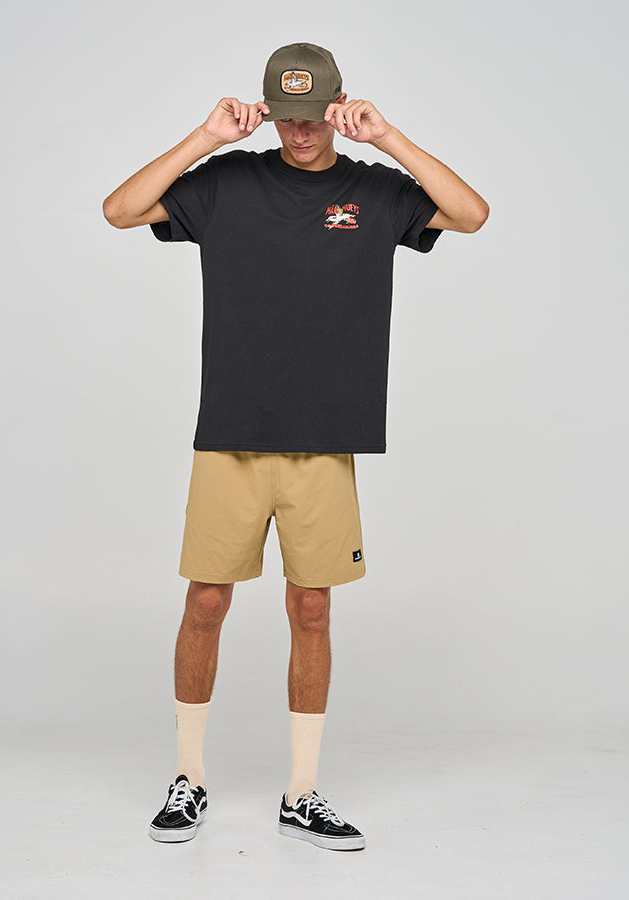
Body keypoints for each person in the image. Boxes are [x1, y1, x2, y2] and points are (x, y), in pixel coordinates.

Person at [103, 42, 489, 852]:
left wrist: (389, 137)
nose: (301, 133)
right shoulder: (228, 182)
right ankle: (188, 777)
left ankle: (302, 794)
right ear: (268, 110)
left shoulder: (374, 191)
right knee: (206, 602)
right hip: (231, 434)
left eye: (313, 118)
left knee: (311, 608)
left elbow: (471, 214)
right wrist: (205, 137)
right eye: (286, 117)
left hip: (325, 438)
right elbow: (120, 209)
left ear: (338, 110)